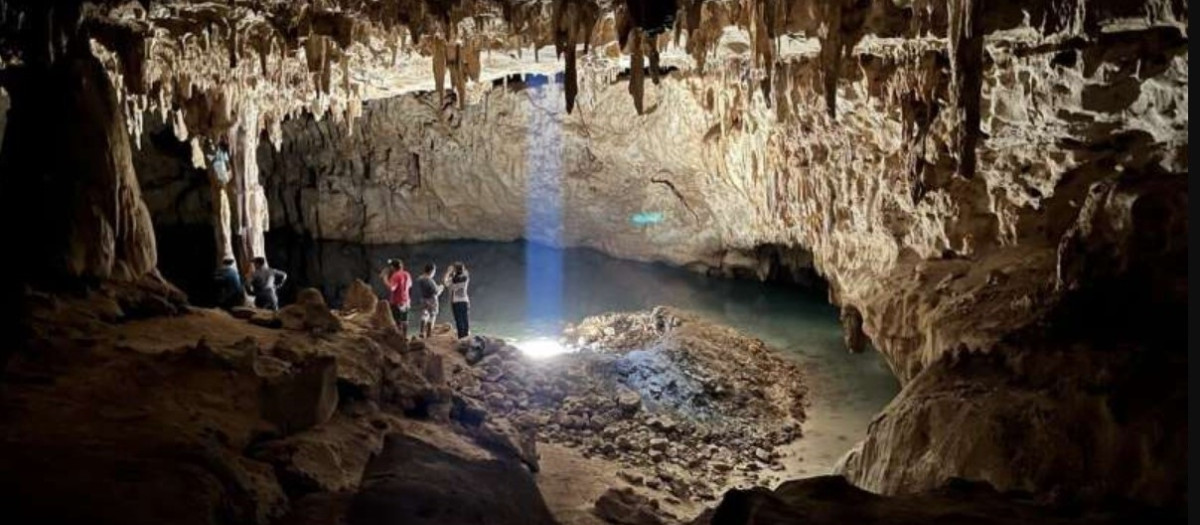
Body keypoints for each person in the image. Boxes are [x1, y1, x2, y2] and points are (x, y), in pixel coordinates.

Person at [379, 259, 412, 339]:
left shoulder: (396, 275)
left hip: (397, 302)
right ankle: (405, 337)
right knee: (405, 320)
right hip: (406, 301)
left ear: (393, 267)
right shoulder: (407, 274)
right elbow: (410, 285)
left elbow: (392, 288)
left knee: (397, 322)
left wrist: (385, 278)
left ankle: (399, 339)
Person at [415, 263, 443, 339]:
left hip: (423, 299)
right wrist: (441, 288)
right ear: (431, 271)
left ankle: (421, 332)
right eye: (434, 271)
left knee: (424, 314)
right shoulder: (429, 280)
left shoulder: (420, 279)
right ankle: (429, 333)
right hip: (432, 300)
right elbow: (436, 291)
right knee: (432, 315)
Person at [443, 262, 470, 339]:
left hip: (456, 302)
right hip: (465, 300)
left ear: (455, 270)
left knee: (459, 320)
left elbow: (445, 282)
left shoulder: (452, 280)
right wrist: (458, 269)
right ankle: (466, 336)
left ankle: (461, 337)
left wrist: (448, 272)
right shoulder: (466, 278)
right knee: (465, 319)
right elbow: (466, 272)